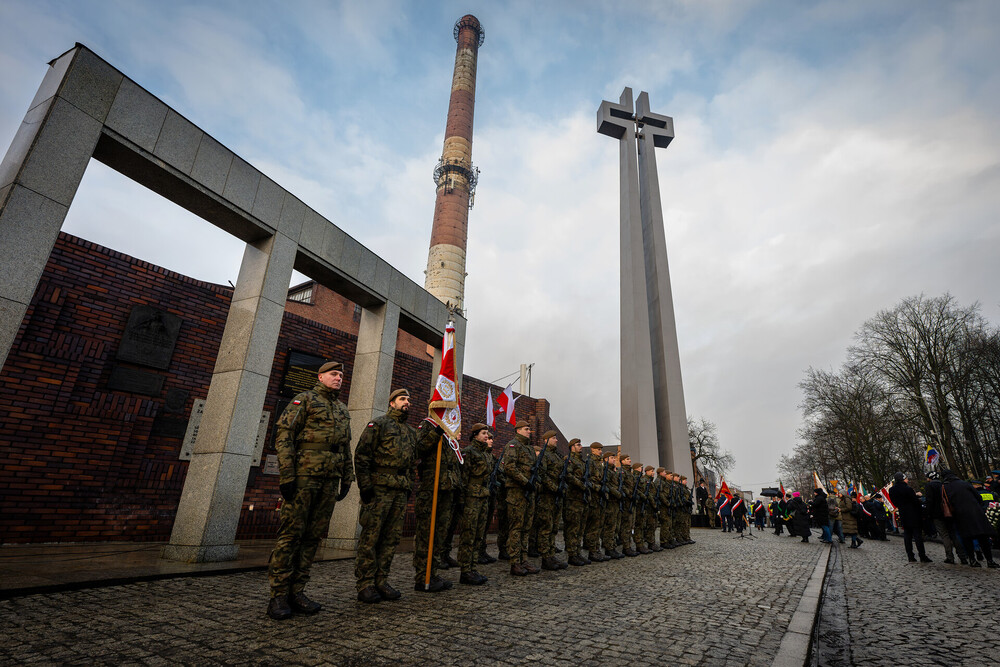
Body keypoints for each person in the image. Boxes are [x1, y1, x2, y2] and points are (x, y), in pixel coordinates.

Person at [266, 360, 354, 620]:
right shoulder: (303, 400)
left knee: (312, 537)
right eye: (333, 374)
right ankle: (278, 595)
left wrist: (347, 477)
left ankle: (297, 591)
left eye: (341, 375)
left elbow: (344, 446)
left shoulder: (341, 408)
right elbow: (284, 436)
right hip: (304, 476)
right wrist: (287, 474)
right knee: (291, 535)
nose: (338, 378)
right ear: (320, 377)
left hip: (329, 480)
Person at [354, 388, 433, 603]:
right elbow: (362, 456)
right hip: (379, 489)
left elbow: (416, 457)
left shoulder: (409, 431)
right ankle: (365, 584)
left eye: (408, 399)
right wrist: (365, 485)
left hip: (400, 490)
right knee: (371, 537)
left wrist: (408, 486)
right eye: (402, 399)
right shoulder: (378, 425)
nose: (406, 402)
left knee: (391, 538)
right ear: (391, 403)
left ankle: (381, 580)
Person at [413, 406, 462, 593]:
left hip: (447, 489)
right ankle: (422, 576)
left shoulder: (449, 432)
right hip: (431, 488)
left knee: (440, 535)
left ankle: (432, 573)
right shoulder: (428, 426)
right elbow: (419, 449)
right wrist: (436, 433)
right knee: (426, 535)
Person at [503, 421, 540, 576]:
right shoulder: (513, 445)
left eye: (529, 429)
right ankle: (515, 562)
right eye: (526, 429)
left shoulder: (530, 448)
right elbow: (509, 467)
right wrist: (525, 482)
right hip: (517, 492)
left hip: (528, 492)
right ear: (518, 430)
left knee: (526, 527)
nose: (529, 431)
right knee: (516, 528)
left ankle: (523, 559)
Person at [457, 424, 492, 585]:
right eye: (484, 433)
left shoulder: (484, 453)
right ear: (475, 435)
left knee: (478, 534)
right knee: (469, 535)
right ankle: (465, 570)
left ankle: (472, 567)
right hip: (471, 496)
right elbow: (463, 478)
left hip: (483, 496)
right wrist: (462, 501)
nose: (487, 436)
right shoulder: (468, 452)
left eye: (487, 433)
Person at [941, 469, 998, 568]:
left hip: (960, 515)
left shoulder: (945, 488)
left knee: (967, 539)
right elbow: (978, 497)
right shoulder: (965, 484)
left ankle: (972, 560)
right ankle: (990, 560)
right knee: (983, 538)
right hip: (976, 513)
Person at [534, 429, 567, 570]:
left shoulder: (557, 456)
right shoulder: (544, 455)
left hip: (557, 496)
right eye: (554, 438)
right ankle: (545, 558)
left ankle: (552, 554)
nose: (556, 440)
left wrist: (562, 487)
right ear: (546, 440)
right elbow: (542, 475)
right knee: (546, 528)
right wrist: (555, 488)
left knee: (553, 528)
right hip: (547, 496)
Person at [924, 470, 968, 565]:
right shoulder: (944, 484)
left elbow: (929, 500)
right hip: (949, 512)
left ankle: (950, 557)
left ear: (929, 478)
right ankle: (962, 556)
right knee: (954, 534)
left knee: (944, 535)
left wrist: (928, 513)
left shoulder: (929, 486)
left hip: (937, 514)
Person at [887, 472, 931, 563]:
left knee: (907, 536)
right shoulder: (908, 489)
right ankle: (922, 556)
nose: (907, 480)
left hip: (903, 514)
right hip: (914, 515)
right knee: (917, 536)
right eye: (906, 478)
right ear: (903, 479)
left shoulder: (892, 490)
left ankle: (910, 556)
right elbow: (914, 501)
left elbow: (895, 502)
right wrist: (917, 496)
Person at [562, 438, 589, 565]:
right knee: (573, 527)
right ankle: (572, 554)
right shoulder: (569, 460)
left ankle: (578, 552)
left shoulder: (582, 462)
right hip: (573, 498)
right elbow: (568, 475)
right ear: (572, 447)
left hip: (581, 499)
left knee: (580, 528)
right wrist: (581, 484)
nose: (581, 447)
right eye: (578, 445)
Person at [583, 443, 607, 561]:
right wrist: (598, 488)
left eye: (601, 449)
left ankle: (596, 549)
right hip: (593, 497)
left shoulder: (600, 463)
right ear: (592, 450)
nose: (600, 451)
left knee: (598, 525)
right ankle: (592, 551)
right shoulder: (590, 462)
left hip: (599, 498)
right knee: (593, 526)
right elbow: (587, 480)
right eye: (598, 449)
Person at [617, 453, 638, 556]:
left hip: (631, 501)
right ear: (622, 461)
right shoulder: (621, 472)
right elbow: (622, 485)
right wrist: (630, 495)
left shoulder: (630, 473)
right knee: (626, 525)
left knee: (630, 525)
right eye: (627, 459)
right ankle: (626, 547)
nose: (630, 460)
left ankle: (628, 545)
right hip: (625, 502)